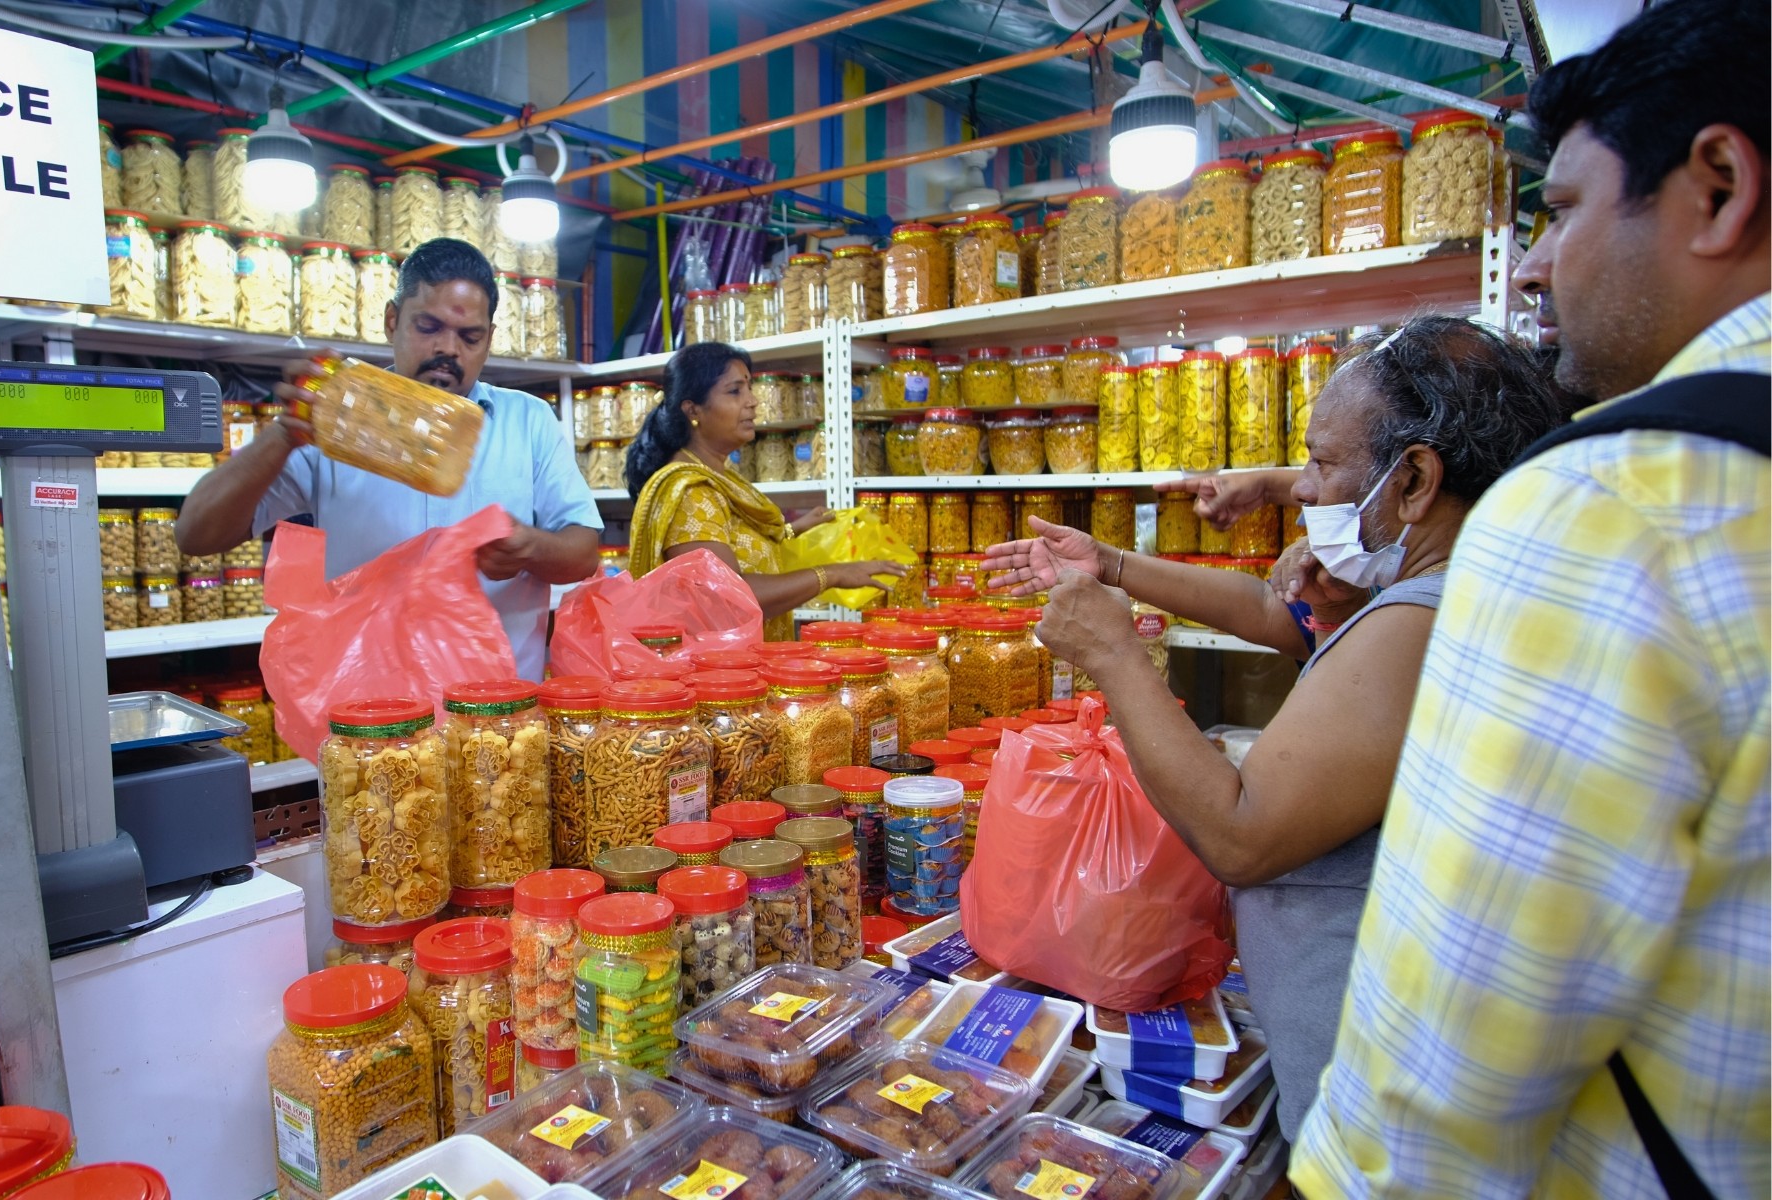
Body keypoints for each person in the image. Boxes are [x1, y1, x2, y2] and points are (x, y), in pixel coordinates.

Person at [1292, 2, 1769, 1196]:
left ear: (1717, 185)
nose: (1541, 264)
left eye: (1560, 210)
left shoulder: (1616, 506)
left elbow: (1453, 1050)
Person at [982, 316, 1571, 1140]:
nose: (1300, 489)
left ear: (1414, 481)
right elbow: (1278, 612)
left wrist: (1113, 655)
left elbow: (1242, 834)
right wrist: (1110, 564)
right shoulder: (1454, 584)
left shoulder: (1419, 623)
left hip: (1377, 1099)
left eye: (1323, 464)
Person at [176, 238, 601, 679]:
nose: (448, 349)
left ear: (489, 340)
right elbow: (195, 535)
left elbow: (583, 553)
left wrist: (530, 547)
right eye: (428, 327)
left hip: (493, 721)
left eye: (469, 336)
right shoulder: (332, 420)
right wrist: (284, 434)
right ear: (392, 321)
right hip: (369, 724)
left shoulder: (528, 420)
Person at [625, 341, 905, 641]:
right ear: (693, 410)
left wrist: (790, 531)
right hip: (722, 679)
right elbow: (727, 597)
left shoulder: (720, 476)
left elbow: (731, 543)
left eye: (749, 388)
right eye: (735, 391)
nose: (752, 401)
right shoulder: (690, 493)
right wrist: (831, 574)